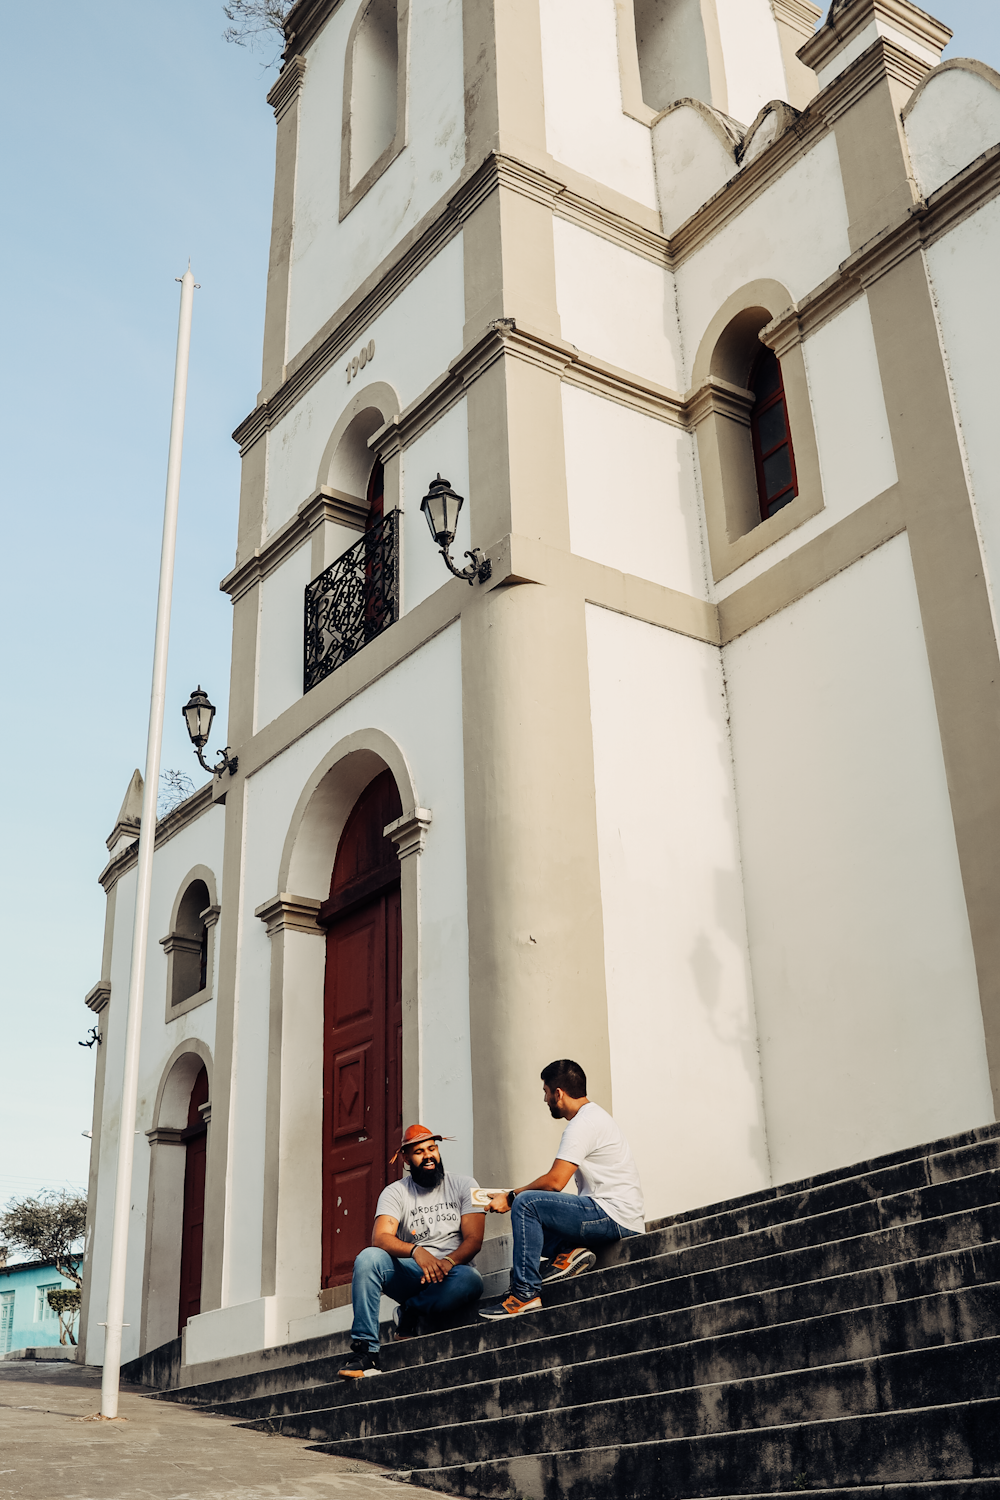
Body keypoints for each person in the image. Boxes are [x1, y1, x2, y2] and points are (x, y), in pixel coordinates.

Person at [479, 1059, 644, 1320]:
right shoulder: (595, 1117)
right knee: (529, 1221)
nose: (545, 1100)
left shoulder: (582, 1124)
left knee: (526, 1205)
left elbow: (556, 1181)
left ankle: (525, 1295)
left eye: (545, 1092)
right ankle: (568, 1252)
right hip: (616, 1214)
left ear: (558, 1093)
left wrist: (511, 1196)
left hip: (612, 1215)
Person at [338, 1124, 486, 1376]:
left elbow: (474, 1239)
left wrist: (448, 1262)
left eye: (432, 1148)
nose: (428, 1155)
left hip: (453, 1273)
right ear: (406, 1158)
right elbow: (381, 1237)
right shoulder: (395, 1192)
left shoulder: (465, 1184)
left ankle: (412, 1310)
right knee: (368, 1258)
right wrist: (417, 1252)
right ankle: (366, 1352)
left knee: (471, 1279)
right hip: (413, 1272)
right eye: (419, 1151)